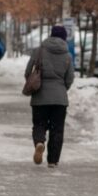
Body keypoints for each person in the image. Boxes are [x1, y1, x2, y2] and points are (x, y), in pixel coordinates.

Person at [24, 25, 74, 168]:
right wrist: (62, 88)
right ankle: (52, 160)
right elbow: (69, 78)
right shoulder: (67, 55)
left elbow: (28, 71)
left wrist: (34, 84)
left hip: (40, 97)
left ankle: (39, 142)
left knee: (39, 124)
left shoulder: (39, 51)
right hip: (60, 98)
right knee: (57, 129)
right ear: (64, 38)